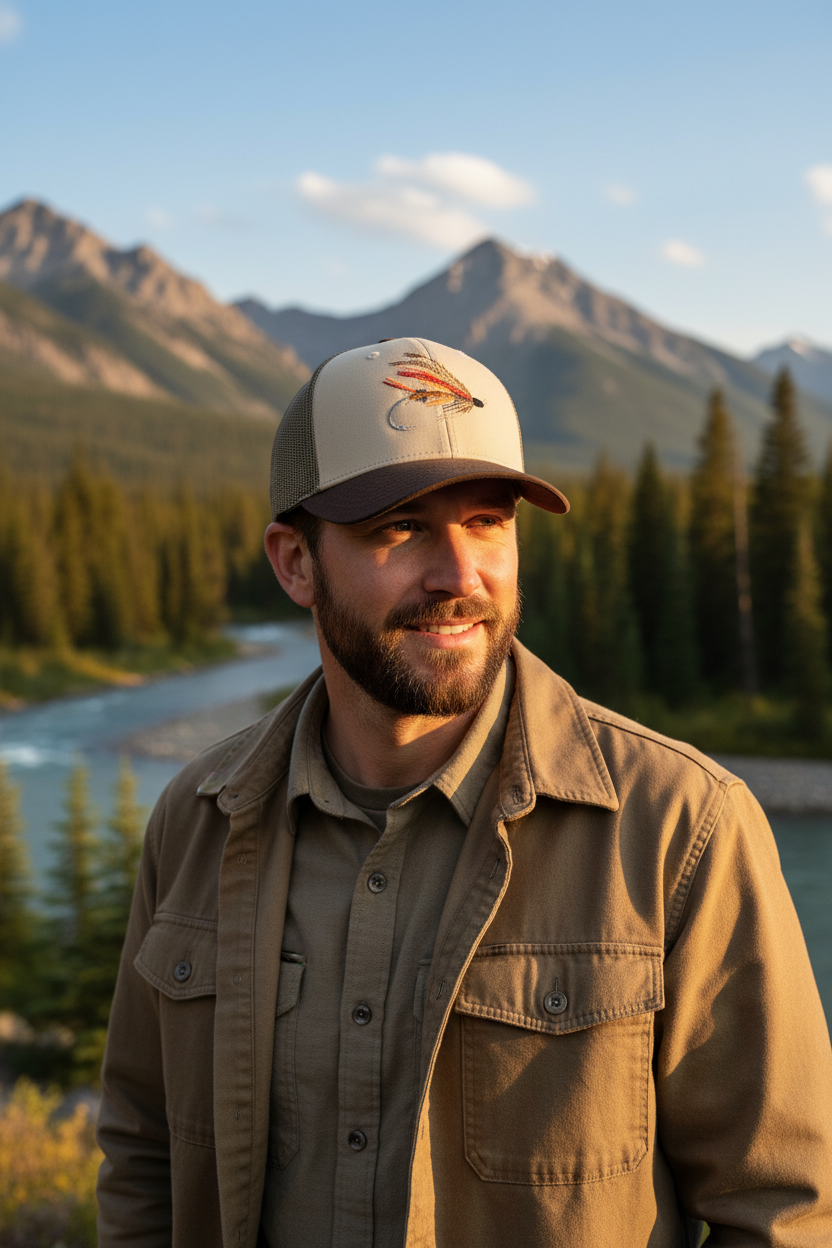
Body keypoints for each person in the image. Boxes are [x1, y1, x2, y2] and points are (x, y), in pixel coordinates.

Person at [96, 338, 832, 1248]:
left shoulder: (683, 827)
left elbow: (783, 1212)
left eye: (488, 521)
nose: (460, 574)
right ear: (294, 563)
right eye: (398, 528)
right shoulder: (196, 823)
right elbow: (141, 1151)